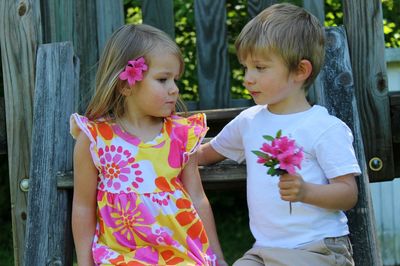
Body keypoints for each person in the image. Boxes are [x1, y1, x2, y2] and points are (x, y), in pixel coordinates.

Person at [198, 3, 360, 266]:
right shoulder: (249, 122)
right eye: (246, 68)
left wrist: (306, 191)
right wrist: (161, 152)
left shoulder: (324, 127)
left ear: (300, 71)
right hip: (263, 252)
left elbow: (347, 194)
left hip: (317, 249)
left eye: (260, 68)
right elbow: (206, 154)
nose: (248, 78)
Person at [70, 23, 226, 266]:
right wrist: (84, 262)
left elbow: (197, 197)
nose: (174, 90)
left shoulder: (181, 135)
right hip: (121, 256)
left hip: (180, 253)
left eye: (175, 80)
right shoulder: (95, 139)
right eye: (163, 79)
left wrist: (216, 257)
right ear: (126, 84)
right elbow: (82, 206)